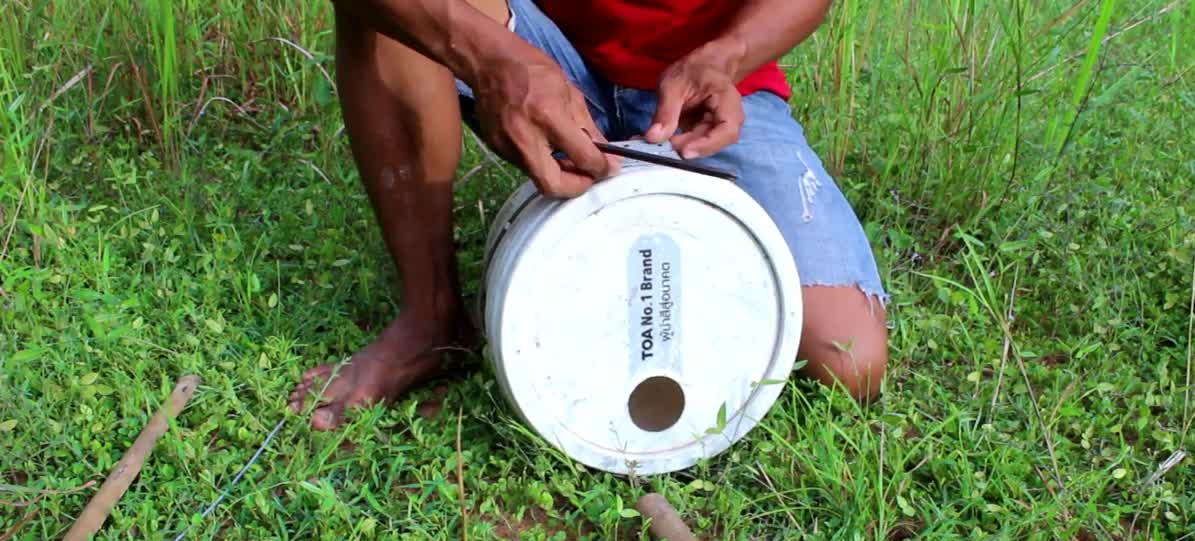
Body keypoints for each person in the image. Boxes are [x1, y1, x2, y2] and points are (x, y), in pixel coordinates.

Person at [288, 0, 889, 430]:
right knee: (395, 18)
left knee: (847, 359)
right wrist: (493, 58)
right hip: (541, 49)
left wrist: (727, 57)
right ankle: (431, 315)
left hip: (706, 86)